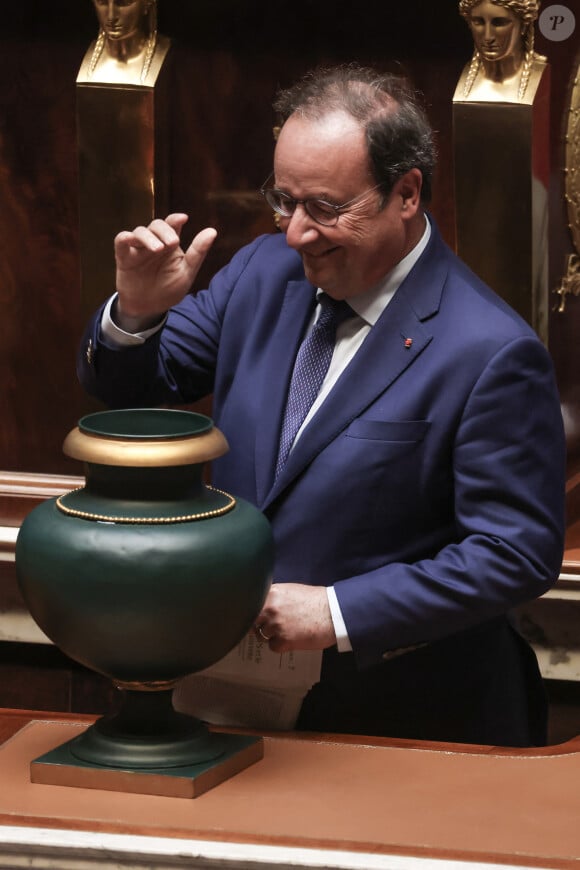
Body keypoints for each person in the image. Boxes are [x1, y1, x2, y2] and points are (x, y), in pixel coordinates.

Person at [78, 63, 566, 747]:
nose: (297, 234)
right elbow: (133, 393)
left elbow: (514, 553)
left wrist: (338, 611)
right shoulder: (260, 273)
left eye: (327, 209)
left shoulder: (488, 351)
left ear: (406, 192)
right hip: (234, 698)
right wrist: (136, 312)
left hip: (406, 718)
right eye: (285, 201)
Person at [457, 0, 546, 102]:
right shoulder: (464, 79)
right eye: (478, 22)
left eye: (499, 23)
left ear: (523, 26)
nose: (488, 37)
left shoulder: (538, 76)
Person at [77, 0, 169, 86]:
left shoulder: (172, 62)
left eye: (123, 2)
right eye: (103, 2)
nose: (111, 17)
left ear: (146, 3)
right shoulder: (77, 57)